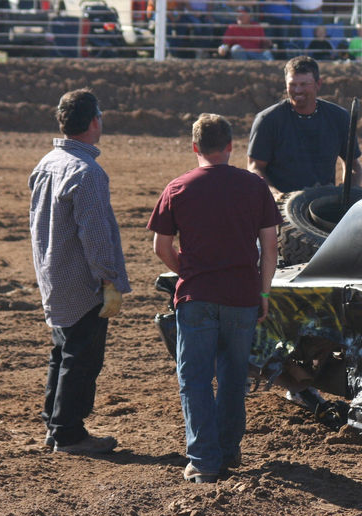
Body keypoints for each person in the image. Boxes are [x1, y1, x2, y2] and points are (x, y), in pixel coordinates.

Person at [147, 113, 281, 484]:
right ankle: (228, 449)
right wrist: (264, 291)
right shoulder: (254, 186)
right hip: (242, 296)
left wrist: (186, 271)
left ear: (194, 147)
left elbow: (161, 246)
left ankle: (205, 460)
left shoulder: (178, 188)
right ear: (230, 146)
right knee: (234, 377)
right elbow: (270, 247)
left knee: (195, 380)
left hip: (198, 295)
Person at [29, 88, 130, 454]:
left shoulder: (46, 163)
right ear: (93, 122)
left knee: (63, 351)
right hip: (81, 278)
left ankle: (54, 422)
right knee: (82, 356)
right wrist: (109, 280)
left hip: (53, 273)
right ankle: (69, 433)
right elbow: (96, 234)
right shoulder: (87, 171)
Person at [247, 55, 362, 199]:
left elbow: (353, 165)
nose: (297, 90)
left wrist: (349, 194)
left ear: (318, 84)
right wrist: (276, 195)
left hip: (321, 204)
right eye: (292, 84)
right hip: (281, 205)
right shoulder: (268, 120)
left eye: (304, 84)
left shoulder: (339, 117)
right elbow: (255, 167)